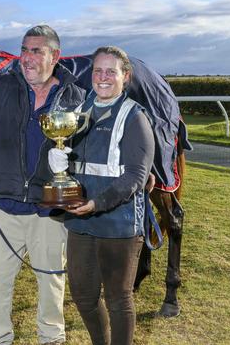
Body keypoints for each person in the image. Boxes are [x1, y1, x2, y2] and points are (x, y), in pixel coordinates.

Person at [0, 25, 85, 345]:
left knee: (51, 282)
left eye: (36, 50)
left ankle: (51, 338)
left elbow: (85, 146)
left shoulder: (74, 95)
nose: (27, 57)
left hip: (47, 209)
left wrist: (71, 166)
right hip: (3, 205)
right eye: (24, 49)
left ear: (55, 56)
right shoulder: (1, 86)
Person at [48, 46, 154, 345]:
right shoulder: (77, 114)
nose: (103, 77)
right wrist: (56, 162)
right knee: (83, 296)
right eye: (97, 71)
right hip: (81, 222)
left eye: (111, 71)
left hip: (118, 224)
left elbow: (136, 176)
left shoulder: (135, 118)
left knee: (118, 299)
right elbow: (68, 158)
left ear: (125, 77)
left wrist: (96, 203)